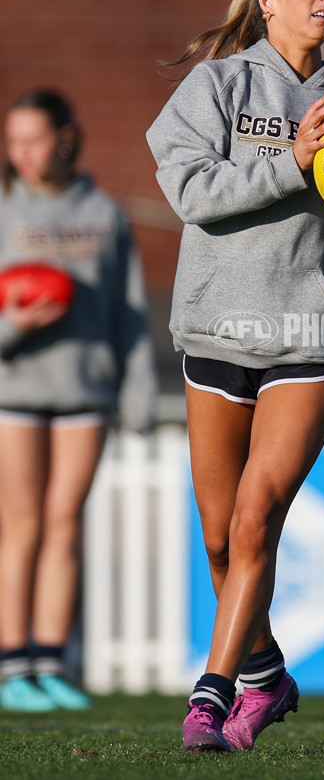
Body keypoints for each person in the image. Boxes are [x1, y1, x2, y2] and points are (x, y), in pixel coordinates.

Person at [146, 0, 324, 753]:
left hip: (312, 329)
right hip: (219, 323)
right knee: (220, 536)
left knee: (256, 520)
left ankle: (209, 700)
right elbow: (191, 193)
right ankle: (266, 675)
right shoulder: (214, 86)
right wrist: (294, 163)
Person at [0, 88, 157, 712]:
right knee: (21, 526)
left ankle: (50, 662)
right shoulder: (4, 211)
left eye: (34, 140)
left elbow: (129, 314)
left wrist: (138, 391)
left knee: (65, 526)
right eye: (13, 144)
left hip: (84, 391)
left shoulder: (104, 213)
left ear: (67, 138)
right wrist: (15, 325)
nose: (24, 155)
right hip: (15, 390)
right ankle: (12, 669)